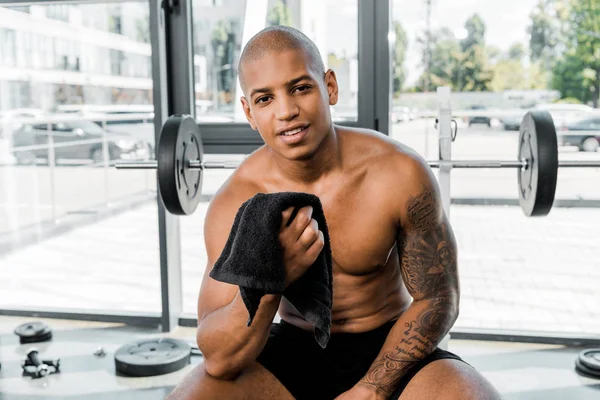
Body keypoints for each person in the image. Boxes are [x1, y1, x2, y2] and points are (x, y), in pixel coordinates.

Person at [167, 26, 502, 400]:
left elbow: (439, 298)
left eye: (300, 88)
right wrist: (273, 276)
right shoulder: (237, 201)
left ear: (329, 87)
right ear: (248, 111)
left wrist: (372, 390)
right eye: (265, 99)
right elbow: (219, 359)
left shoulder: (397, 172)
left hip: (391, 343)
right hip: (291, 349)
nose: (286, 111)